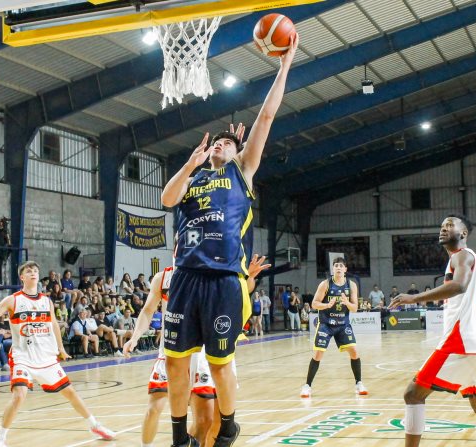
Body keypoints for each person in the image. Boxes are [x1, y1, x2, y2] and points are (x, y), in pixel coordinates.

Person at [160, 30, 299, 447]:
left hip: (223, 280)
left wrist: (284, 66)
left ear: (237, 152)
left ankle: (230, 424)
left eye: (229, 142)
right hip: (186, 277)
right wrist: (188, 165)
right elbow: (167, 199)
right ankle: (178, 436)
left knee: (220, 365)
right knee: (174, 361)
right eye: (218, 141)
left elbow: (267, 119)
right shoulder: (194, 176)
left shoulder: (241, 173)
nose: (222, 144)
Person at [390, 214, 476, 447]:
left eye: (450, 225)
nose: (444, 228)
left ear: (463, 234)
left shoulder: (462, 255)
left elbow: (458, 286)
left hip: (462, 340)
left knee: (412, 394)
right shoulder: (468, 259)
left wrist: (414, 298)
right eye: (442, 225)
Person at [0, 261, 115, 447]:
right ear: (22, 277)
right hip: (23, 356)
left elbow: (53, 324)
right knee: (19, 395)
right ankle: (0, 439)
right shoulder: (13, 300)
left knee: (70, 392)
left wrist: (60, 348)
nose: (33, 273)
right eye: (29, 271)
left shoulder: (46, 301)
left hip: (45, 356)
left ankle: (95, 425)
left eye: (36, 270)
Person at [124, 254, 269, 447]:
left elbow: (240, 290)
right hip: (172, 349)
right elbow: (148, 310)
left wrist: (247, 277)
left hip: (202, 353)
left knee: (204, 422)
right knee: (155, 407)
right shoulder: (163, 278)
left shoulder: (214, 272)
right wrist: (135, 337)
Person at [300, 257, 367, 398]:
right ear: (333, 269)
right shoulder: (325, 284)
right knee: (318, 354)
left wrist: (346, 302)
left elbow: (354, 308)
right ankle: (307, 386)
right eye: (336, 265)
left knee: (354, 351)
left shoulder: (352, 285)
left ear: (345, 269)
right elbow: (314, 304)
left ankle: (359, 383)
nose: (338, 267)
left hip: (343, 324)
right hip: (326, 323)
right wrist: (326, 305)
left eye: (341, 265)